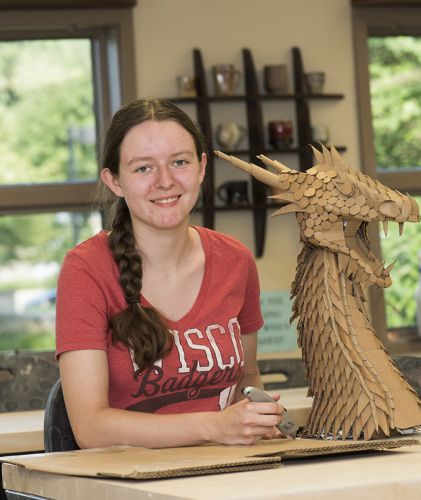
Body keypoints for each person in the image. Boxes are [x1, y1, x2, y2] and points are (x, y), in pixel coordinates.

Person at [56, 97, 284, 449]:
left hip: (229, 475)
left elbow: (246, 377)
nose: (165, 181)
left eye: (179, 162)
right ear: (114, 180)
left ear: (201, 168)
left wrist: (254, 417)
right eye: (143, 168)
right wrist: (213, 426)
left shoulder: (236, 260)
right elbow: (90, 427)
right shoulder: (86, 269)